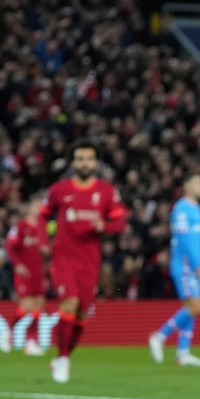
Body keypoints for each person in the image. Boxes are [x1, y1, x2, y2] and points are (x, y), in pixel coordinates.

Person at [40, 140, 126, 383]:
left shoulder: (107, 191)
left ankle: (62, 357)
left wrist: (104, 226)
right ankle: (63, 360)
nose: (84, 163)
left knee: (81, 316)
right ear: (72, 162)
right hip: (64, 258)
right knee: (69, 303)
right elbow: (42, 216)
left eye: (88, 158)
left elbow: (119, 224)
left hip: (90, 262)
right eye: (79, 159)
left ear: (95, 162)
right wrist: (43, 241)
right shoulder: (59, 190)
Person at [149, 175, 200, 367]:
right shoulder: (182, 209)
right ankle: (160, 335)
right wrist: (198, 266)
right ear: (186, 185)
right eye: (198, 183)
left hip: (192, 265)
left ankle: (183, 352)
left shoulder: (195, 208)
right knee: (195, 306)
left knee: (192, 309)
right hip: (185, 266)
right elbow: (186, 241)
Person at [2, 197, 49, 356]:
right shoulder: (21, 228)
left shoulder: (43, 229)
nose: (39, 208)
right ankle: (8, 335)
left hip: (39, 272)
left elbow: (45, 248)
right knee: (26, 306)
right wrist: (18, 264)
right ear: (29, 209)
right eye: (36, 205)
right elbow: (9, 247)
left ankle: (30, 342)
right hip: (25, 272)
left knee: (39, 306)